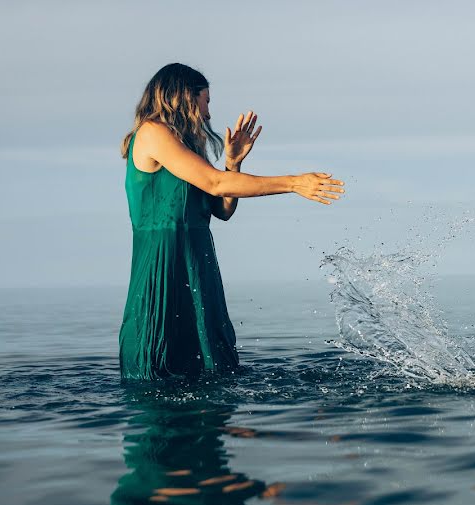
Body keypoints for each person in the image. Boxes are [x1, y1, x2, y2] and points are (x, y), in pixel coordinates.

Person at [119, 63, 344, 380]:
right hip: (162, 262)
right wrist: (293, 182)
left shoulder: (186, 147)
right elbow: (215, 184)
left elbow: (221, 209)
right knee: (160, 365)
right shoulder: (152, 133)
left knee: (209, 365)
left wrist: (233, 162)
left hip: (197, 261)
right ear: (185, 96)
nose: (208, 113)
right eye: (205, 101)